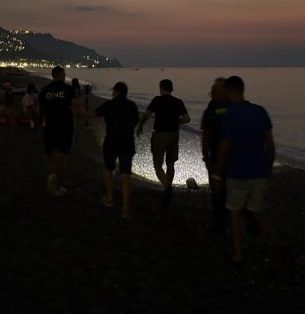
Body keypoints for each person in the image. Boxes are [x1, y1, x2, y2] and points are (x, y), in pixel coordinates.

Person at [215, 76, 277, 266]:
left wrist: (218, 172)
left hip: (237, 172)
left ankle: (238, 255)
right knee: (255, 212)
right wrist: (268, 168)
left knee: (234, 213)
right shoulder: (260, 111)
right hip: (259, 170)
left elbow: (225, 146)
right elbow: (270, 145)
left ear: (228, 91)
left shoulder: (229, 115)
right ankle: (275, 242)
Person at [83, 82, 140, 217]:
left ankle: (109, 198)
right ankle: (125, 208)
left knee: (108, 169)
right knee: (125, 175)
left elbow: (92, 115)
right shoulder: (132, 105)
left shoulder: (109, 104)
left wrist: (81, 109)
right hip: (127, 143)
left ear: (116, 92)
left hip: (111, 142)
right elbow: (135, 122)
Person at [137, 79, 190, 207]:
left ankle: (167, 187)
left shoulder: (157, 100)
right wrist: (176, 121)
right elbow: (187, 119)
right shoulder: (178, 102)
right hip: (174, 135)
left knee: (157, 164)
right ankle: (168, 190)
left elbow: (147, 114)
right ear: (171, 89)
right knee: (170, 163)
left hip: (160, 135)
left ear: (161, 88)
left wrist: (140, 125)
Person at [39, 66, 82, 196]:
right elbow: (77, 106)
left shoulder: (45, 90)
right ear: (61, 75)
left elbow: (40, 110)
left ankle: (52, 172)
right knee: (62, 153)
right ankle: (57, 184)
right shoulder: (68, 89)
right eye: (64, 74)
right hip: (65, 126)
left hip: (49, 126)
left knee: (48, 151)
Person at [201, 78, 230, 233]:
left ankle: (219, 224)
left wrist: (206, 157)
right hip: (234, 158)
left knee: (217, 193)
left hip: (216, 157)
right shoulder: (235, 108)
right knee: (231, 191)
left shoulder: (210, 111)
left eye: (212, 92)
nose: (210, 94)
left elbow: (206, 136)